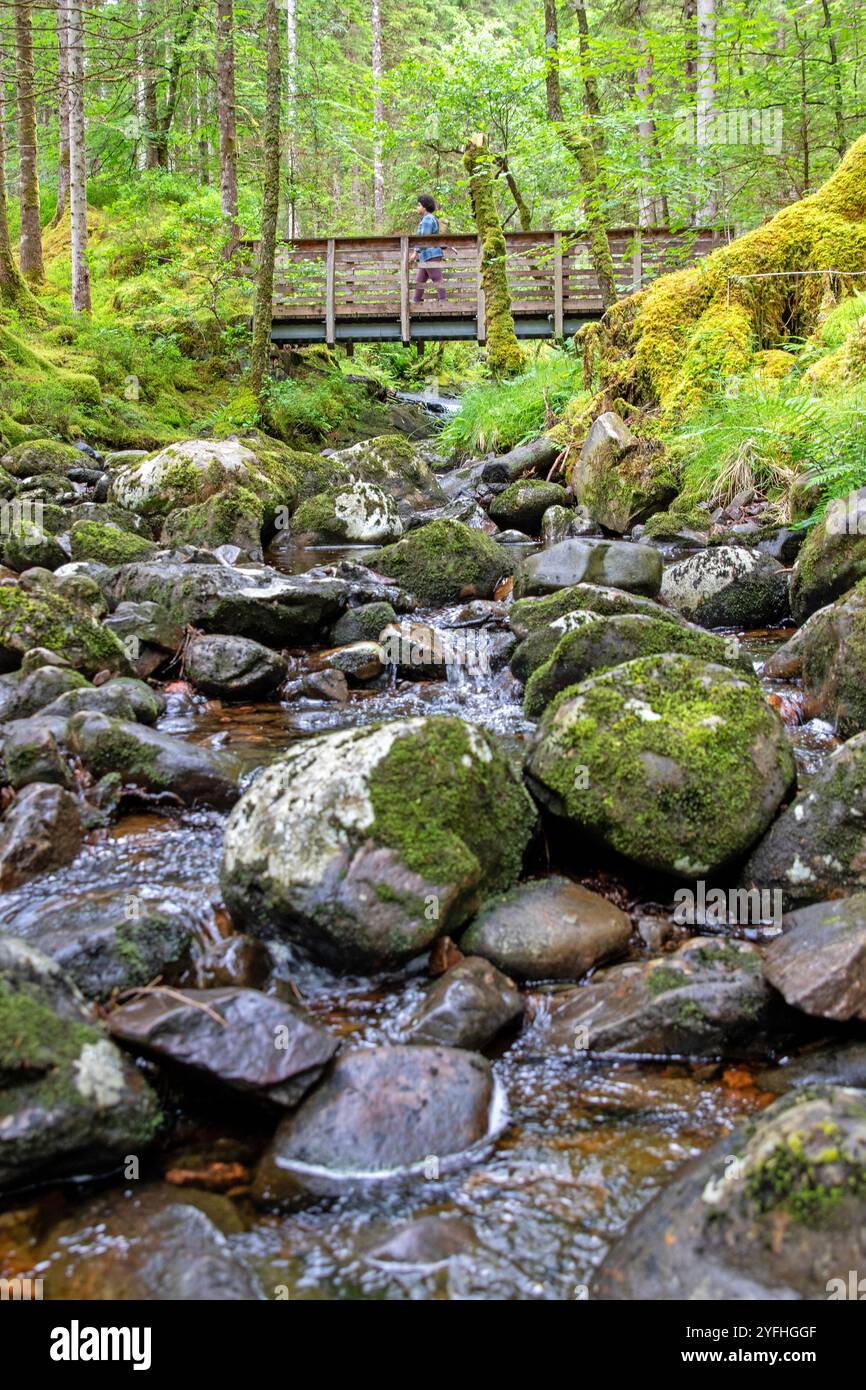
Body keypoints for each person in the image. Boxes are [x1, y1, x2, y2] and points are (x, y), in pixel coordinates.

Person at [412, 194, 447, 304]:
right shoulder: (428, 218)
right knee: (420, 280)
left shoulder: (427, 219)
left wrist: (415, 253)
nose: (417, 207)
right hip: (426, 255)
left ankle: (444, 302)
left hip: (431, 254)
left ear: (424, 207)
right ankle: (415, 302)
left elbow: (424, 239)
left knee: (436, 278)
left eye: (419, 205)